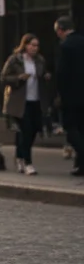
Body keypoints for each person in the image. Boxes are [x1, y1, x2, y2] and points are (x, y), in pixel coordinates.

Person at [0, 33, 50, 175]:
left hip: (36, 100)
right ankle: (28, 163)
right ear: (25, 45)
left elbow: (42, 73)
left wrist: (45, 76)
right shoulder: (15, 60)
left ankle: (20, 156)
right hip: (20, 101)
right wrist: (18, 78)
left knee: (33, 129)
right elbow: (3, 78)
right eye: (32, 45)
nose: (35, 48)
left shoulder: (39, 60)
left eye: (37, 45)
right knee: (26, 130)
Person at [54, 16, 84, 176]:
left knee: (71, 129)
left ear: (60, 30)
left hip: (71, 97)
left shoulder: (65, 46)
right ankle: (81, 165)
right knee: (82, 129)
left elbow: (61, 74)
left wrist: (59, 95)